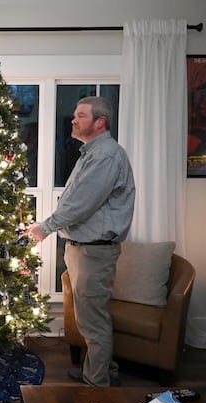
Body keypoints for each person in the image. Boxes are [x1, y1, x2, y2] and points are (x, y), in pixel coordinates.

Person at [27, 96, 135, 387]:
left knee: (93, 320)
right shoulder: (91, 153)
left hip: (94, 252)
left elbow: (82, 203)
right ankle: (102, 369)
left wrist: (46, 227)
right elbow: (76, 199)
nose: (73, 120)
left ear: (100, 122)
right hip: (82, 249)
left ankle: (97, 384)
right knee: (90, 316)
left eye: (81, 116)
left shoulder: (106, 156)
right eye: (75, 115)